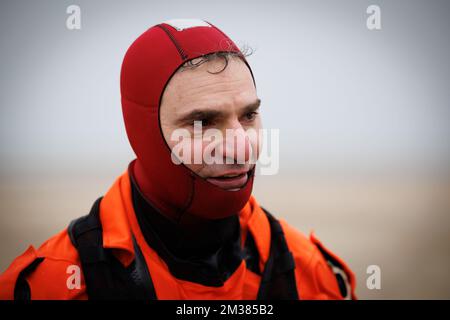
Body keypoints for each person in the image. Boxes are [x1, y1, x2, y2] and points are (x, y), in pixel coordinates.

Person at [0, 19, 356, 300]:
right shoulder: (54, 284)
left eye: (248, 116)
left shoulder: (309, 274)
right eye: (203, 123)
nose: (241, 146)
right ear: (143, 133)